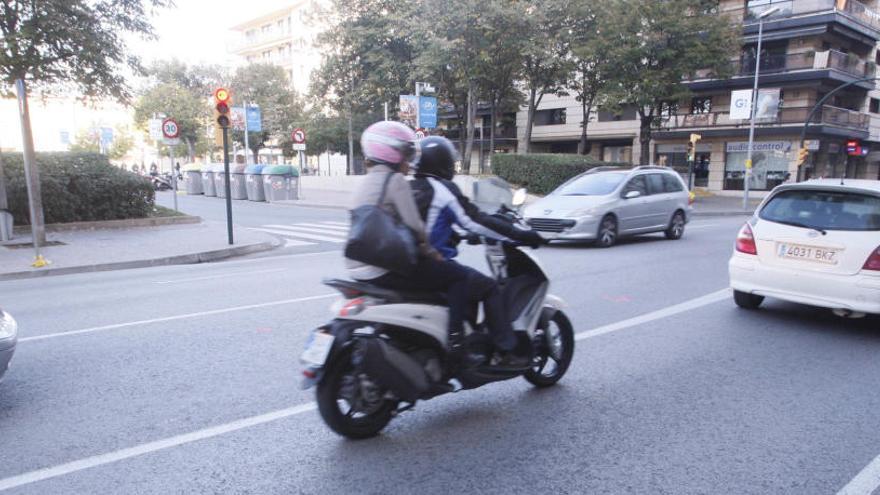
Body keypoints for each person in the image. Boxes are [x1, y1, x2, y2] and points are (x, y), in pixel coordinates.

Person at [345, 121, 477, 366]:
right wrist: (431, 252)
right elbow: (416, 227)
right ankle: (457, 341)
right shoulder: (394, 181)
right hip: (382, 268)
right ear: (393, 155)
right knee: (459, 277)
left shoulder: (364, 183)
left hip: (356, 268)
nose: (409, 163)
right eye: (406, 156)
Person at [411, 136, 544, 368]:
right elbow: (474, 220)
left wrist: (454, 234)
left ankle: (465, 332)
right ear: (444, 163)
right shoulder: (442, 189)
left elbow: (430, 221)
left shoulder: (410, 187)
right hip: (431, 266)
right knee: (488, 287)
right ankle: (506, 349)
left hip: (404, 264)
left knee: (466, 281)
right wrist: (520, 235)